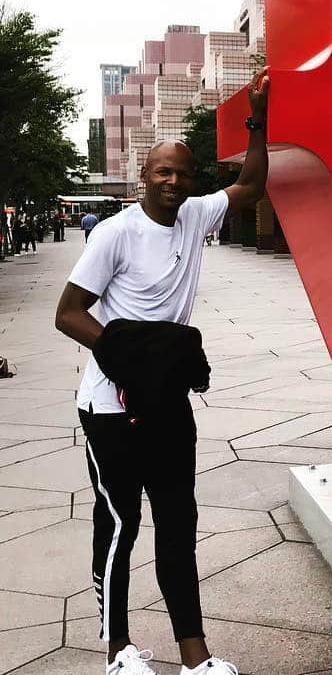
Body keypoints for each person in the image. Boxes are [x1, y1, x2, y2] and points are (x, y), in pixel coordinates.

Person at [54, 67, 270, 675]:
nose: (174, 181)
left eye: (183, 173)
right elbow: (68, 314)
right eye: (162, 172)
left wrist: (258, 115)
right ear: (143, 177)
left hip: (168, 406)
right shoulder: (115, 234)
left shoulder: (197, 215)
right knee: (121, 524)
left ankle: (194, 653)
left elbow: (252, 185)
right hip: (111, 409)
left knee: (178, 523)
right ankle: (118, 649)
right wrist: (133, 358)